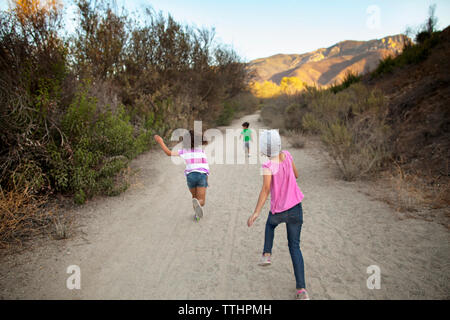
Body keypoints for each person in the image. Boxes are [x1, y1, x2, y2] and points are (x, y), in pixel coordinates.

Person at [247, 129, 309, 300]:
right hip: (296, 208)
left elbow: (266, 189)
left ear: (264, 149)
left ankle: (267, 254)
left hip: (279, 210)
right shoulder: (288, 156)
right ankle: (301, 290)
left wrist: (256, 211)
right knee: (294, 247)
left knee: (270, 225)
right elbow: (296, 175)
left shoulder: (267, 166)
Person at [154, 130, 209, 221]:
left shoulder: (184, 151)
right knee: (201, 201)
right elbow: (205, 167)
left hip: (190, 176)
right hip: (201, 175)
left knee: (194, 197)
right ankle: (199, 205)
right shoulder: (201, 152)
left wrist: (161, 141)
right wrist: (206, 179)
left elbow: (168, 153)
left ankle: (196, 214)